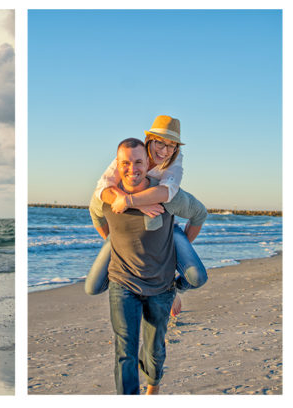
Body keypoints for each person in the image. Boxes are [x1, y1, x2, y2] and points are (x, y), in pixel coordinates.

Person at [91, 138, 207, 394]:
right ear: (117, 165)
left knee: (154, 349)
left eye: (138, 162)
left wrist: (176, 252)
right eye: (125, 163)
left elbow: (199, 213)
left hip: (161, 285)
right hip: (123, 283)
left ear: (148, 162)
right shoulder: (108, 194)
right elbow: (96, 212)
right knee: (125, 351)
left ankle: (152, 389)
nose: (132, 168)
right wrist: (113, 243)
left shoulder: (168, 194)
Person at [85, 115, 207, 317]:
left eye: (172, 146)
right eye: (160, 143)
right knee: (92, 287)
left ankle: (170, 289)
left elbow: (168, 192)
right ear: (149, 139)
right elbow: (103, 189)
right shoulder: (132, 153)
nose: (165, 151)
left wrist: (129, 201)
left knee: (197, 276)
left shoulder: (175, 159)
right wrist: (130, 201)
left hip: (163, 229)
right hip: (127, 232)